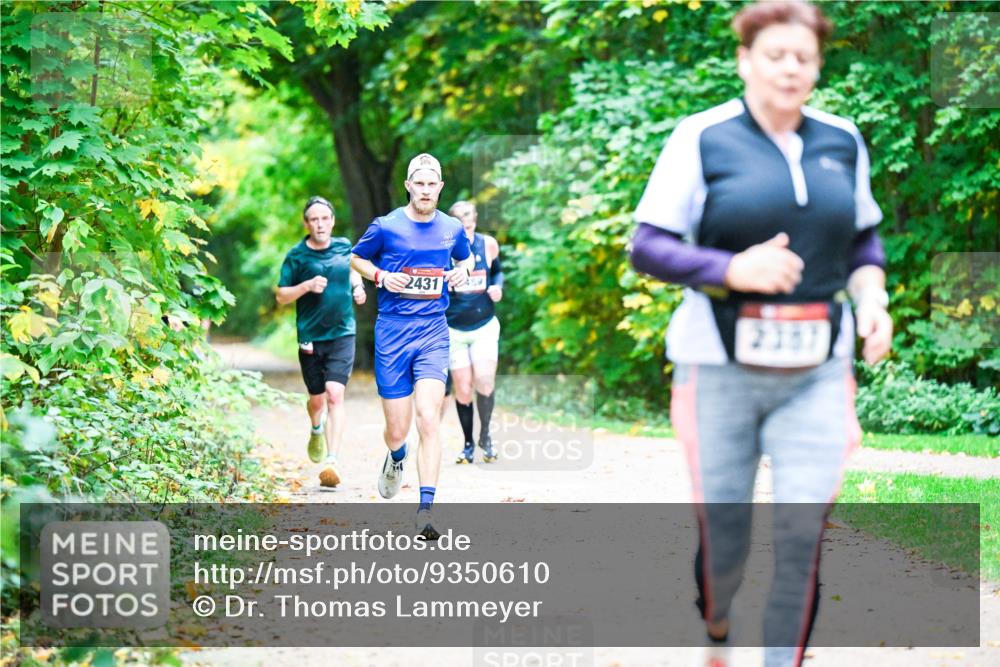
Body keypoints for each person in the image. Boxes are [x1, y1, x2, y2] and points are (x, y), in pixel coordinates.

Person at [629, 3, 892, 667]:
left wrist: (873, 299)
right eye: (775, 54)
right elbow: (648, 247)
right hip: (716, 365)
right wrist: (732, 267)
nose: (791, 67)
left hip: (817, 371)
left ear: (818, 67)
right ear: (746, 60)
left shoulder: (842, 140)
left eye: (804, 57)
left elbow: (864, 239)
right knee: (727, 537)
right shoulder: (703, 137)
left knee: (803, 534)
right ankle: (716, 624)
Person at [350, 153, 474, 539]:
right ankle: (397, 456)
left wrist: (460, 271)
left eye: (431, 183)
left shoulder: (452, 228)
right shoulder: (386, 227)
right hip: (392, 332)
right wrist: (382, 276)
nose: (425, 189)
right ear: (408, 186)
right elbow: (355, 258)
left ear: (440, 187)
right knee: (397, 430)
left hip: (434, 332)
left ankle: (425, 510)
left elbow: (467, 261)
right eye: (418, 183)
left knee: (429, 418)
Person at [276, 196, 366, 488]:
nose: (320, 224)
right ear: (306, 223)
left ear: (332, 221)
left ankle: (332, 461)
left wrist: (358, 286)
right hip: (311, 337)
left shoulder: (344, 246)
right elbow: (280, 296)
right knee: (317, 400)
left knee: (335, 395)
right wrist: (306, 286)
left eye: (324, 218)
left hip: (343, 332)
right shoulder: (297, 256)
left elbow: (354, 268)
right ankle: (316, 427)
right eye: (314, 219)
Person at [441, 200, 504, 464]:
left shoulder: (488, 243)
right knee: (463, 389)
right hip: (454, 328)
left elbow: (498, 272)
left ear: (475, 216)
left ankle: (486, 437)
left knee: (485, 381)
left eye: (468, 214)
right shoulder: (444, 250)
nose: (466, 219)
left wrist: (498, 287)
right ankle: (468, 444)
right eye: (459, 216)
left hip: (484, 325)